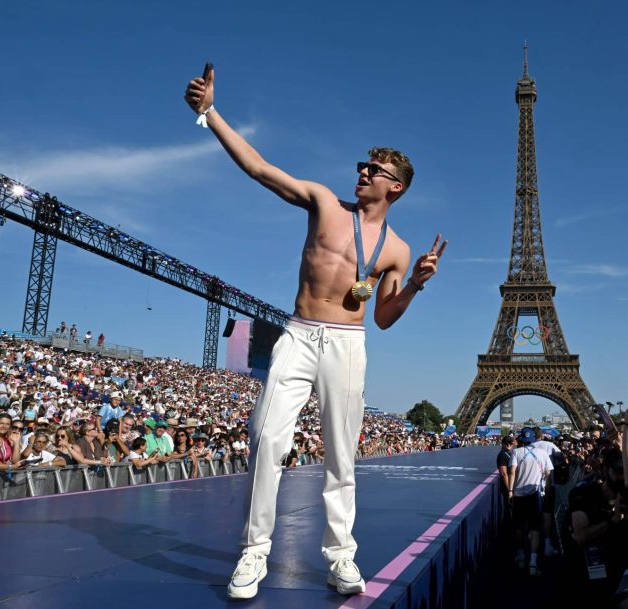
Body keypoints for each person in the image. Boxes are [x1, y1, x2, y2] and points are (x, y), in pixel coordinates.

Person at [185, 65, 447, 599]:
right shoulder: (326, 204)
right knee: (265, 437)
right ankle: (254, 553)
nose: (362, 173)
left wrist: (416, 284)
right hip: (300, 332)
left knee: (340, 454)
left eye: (372, 169)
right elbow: (260, 169)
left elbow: (383, 317)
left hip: (349, 342)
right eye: (361, 165)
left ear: (394, 186)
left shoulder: (396, 250)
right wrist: (210, 114)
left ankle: (341, 558)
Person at [507, 426, 554, 576]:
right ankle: (533, 562)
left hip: (519, 495)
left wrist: (510, 491)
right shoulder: (542, 453)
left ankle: (520, 556)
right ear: (534, 438)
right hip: (535, 495)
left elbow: (512, 471)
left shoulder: (516, 452)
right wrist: (546, 493)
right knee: (535, 529)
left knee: (519, 528)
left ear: (521, 438)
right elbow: (548, 475)